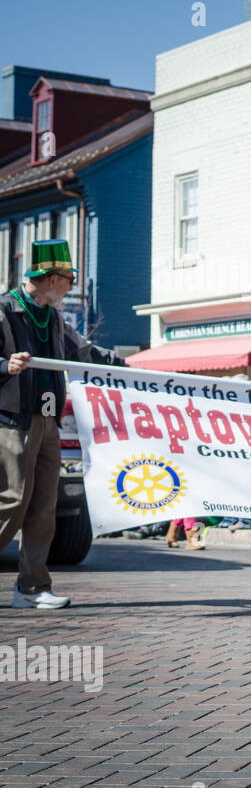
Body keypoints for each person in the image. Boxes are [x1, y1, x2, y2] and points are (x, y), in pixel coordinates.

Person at [1, 240, 123, 608]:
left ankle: (32, 587)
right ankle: (31, 586)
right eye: (69, 280)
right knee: (12, 502)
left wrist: (138, 373)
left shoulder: (54, 318)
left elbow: (86, 353)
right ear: (52, 279)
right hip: (12, 421)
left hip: (48, 421)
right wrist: (3, 365)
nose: (72, 287)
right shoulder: (4, 311)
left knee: (44, 506)